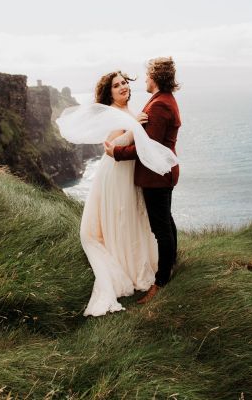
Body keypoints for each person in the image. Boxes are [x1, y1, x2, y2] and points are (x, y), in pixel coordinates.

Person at [56, 70, 178, 317]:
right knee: (121, 216)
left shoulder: (132, 112)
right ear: (108, 92)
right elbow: (113, 144)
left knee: (133, 217)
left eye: (124, 83)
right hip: (116, 172)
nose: (123, 87)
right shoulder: (114, 113)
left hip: (129, 172)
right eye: (116, 85)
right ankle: (125, 266)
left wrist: (136, 125)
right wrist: (135, 129)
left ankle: (143, 262)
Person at [105, 57, 181, 304]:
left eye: (148, 75)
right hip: (159, 173)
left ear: (156, 77)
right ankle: (171, 265)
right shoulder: (161, 100)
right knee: (166, 222)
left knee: (161, 229)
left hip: (156, 175)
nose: (145, 79)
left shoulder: (160, 104)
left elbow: (149, 147)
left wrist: (116, 152)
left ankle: (161, 282)